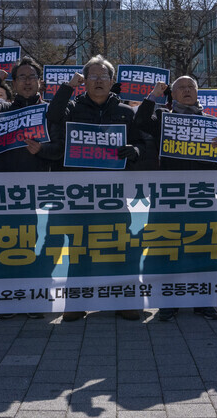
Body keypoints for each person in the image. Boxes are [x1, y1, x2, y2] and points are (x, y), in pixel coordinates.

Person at [47, 55, 150, 321]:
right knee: (79, 247)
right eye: (92, 76)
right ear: (84, 81)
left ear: (112, 81)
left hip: (114, 192)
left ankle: (126, 300)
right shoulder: (71, 107)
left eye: (103, 76)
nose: (98, 81)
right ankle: (76, 302)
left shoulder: (126, 112)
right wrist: (69, 86)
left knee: (120, 245)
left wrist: (135, 150)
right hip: (79, 191)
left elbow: (143, 142)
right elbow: (52, 115)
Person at [135, 77, 217, 321]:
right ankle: (168, 301)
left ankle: (205, 301)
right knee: (168, 248)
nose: (187, 91)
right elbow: (140, 121)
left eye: (191, 88)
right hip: (171, 195)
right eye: (181, 88)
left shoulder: (210, 122)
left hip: (203, 196)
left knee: (204, 248)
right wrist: (153, 95)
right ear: (172, 95)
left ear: (198, 94)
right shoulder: (162, 119)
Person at [0, 56, 63, 319]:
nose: (27, 82)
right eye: (21, 77)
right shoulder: (4, 109)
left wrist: (44, 150)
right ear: (14, 83)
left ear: (40, 82)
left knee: (41, 246)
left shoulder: (51, 111)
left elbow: (61, 148)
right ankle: (5, 299)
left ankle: (37, 296)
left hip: (40, 189)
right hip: (6, 189)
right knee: (4, 244)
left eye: (32, 77)